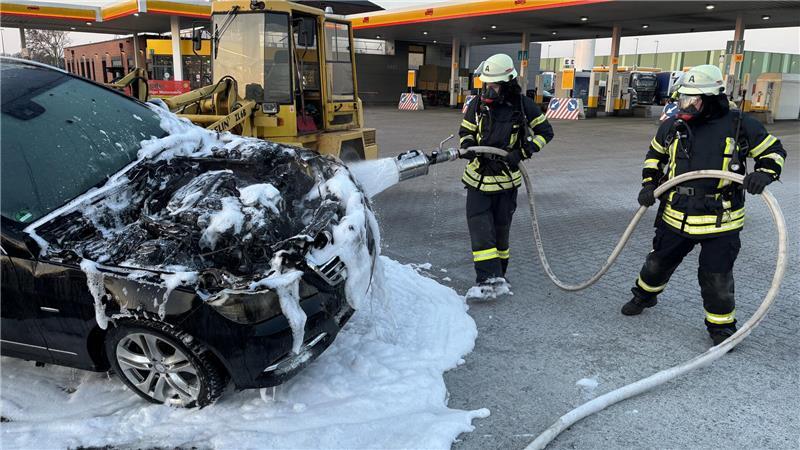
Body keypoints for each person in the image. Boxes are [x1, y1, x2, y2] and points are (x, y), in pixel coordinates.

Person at [622, 64, 786, 345]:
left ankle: (720, 328)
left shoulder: (740, 125)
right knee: (657, 263)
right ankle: (643, 296)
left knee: (716, 277)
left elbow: (773, 151)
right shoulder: (674, 125)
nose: (685, 105)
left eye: (692, 100)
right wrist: (649, 183)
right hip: (675, 215)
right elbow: (654, 155)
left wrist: (764, 174)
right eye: (682, 98)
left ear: (711, 98)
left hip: (721, 221)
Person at [458, 53, 554, 298]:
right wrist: (468, 145)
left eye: (494, 85)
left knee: (500, 233)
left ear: (508, 83)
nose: (488, 89)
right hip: (477, 180)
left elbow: (545, 132)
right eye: (486, 84)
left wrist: (523, 151)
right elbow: (465, 131)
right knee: (480, 231)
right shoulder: (476, 105)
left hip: (506, 182)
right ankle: (486, 279)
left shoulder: (523, 106)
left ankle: (499, 275)